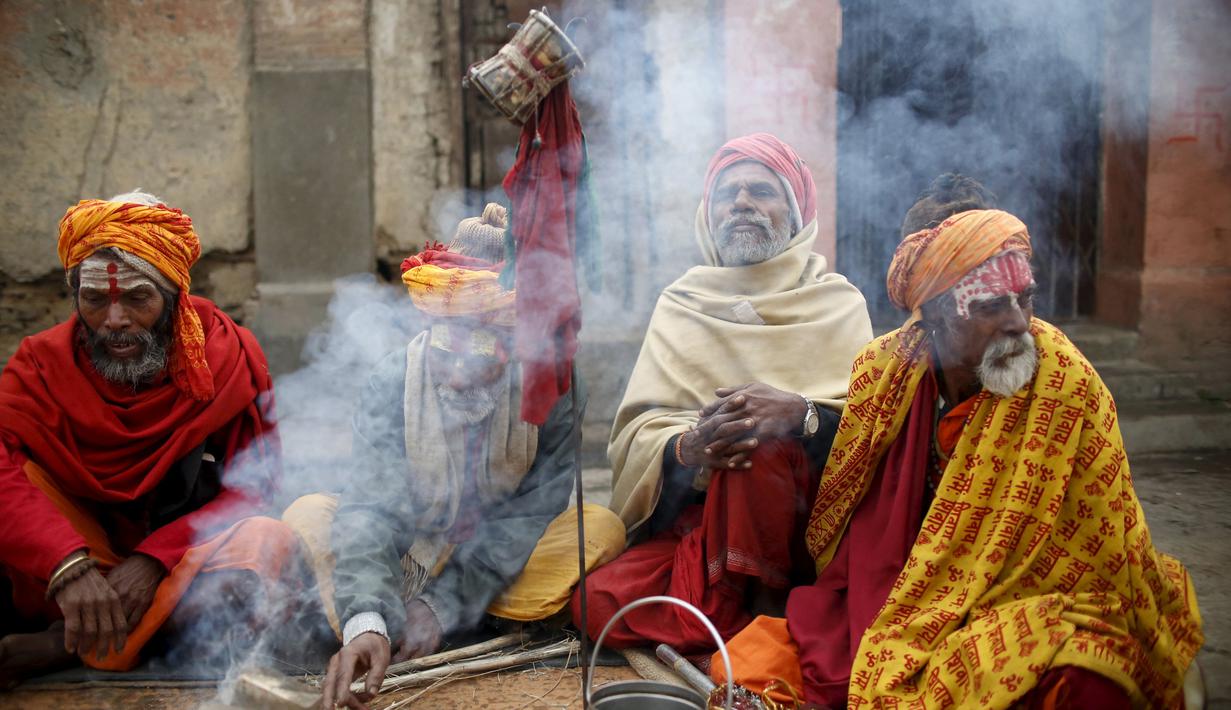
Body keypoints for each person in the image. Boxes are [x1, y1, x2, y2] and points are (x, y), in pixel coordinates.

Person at [722, 203, 1203, 708]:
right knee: (763, 663)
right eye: (992, 306)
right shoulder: (885, 370)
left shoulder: (1065, 381)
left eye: (1026, 299)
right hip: (910, 589)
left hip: (1031, 597)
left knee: (1089, 670)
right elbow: (860, 520)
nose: (1018, 323)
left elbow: (1101, 553)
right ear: (935, 314)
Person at [288, 204, 624, 709]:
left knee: (597, 528)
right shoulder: (392, 379)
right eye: (446, 347)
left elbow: (532, 513)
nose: (460, 374)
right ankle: (387, 622)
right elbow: (370, 510)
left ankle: (442, 615)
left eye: (484, 352)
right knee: (313, 515)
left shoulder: (551, 386)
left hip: (501, 553)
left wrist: (439, 607)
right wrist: (366, 621)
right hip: (411, 550)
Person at [574, 134, 873, 652]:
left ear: (796, 209)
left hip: (811, 538)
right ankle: (756, 631)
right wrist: (690, 449)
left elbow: (874, 433)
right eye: (725, 194)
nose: (741, 204)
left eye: (762, 191)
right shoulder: (682, 301)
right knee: (593, 601)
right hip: (708, 531)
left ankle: (766, 616)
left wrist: (801, 415)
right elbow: (637, 433)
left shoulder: (838, 303)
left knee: (763, 446)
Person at [0, 192, 296, 683]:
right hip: (74, 565)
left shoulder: (228, 354)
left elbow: (257, 488)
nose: (115, 321)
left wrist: (156, 559)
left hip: (181, 562)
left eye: (138, 298)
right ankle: (126, 632)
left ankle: (70, 646)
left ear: (175, 299)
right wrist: (65, 564)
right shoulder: (39, 362)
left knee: (270, 540)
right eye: (95, 300)